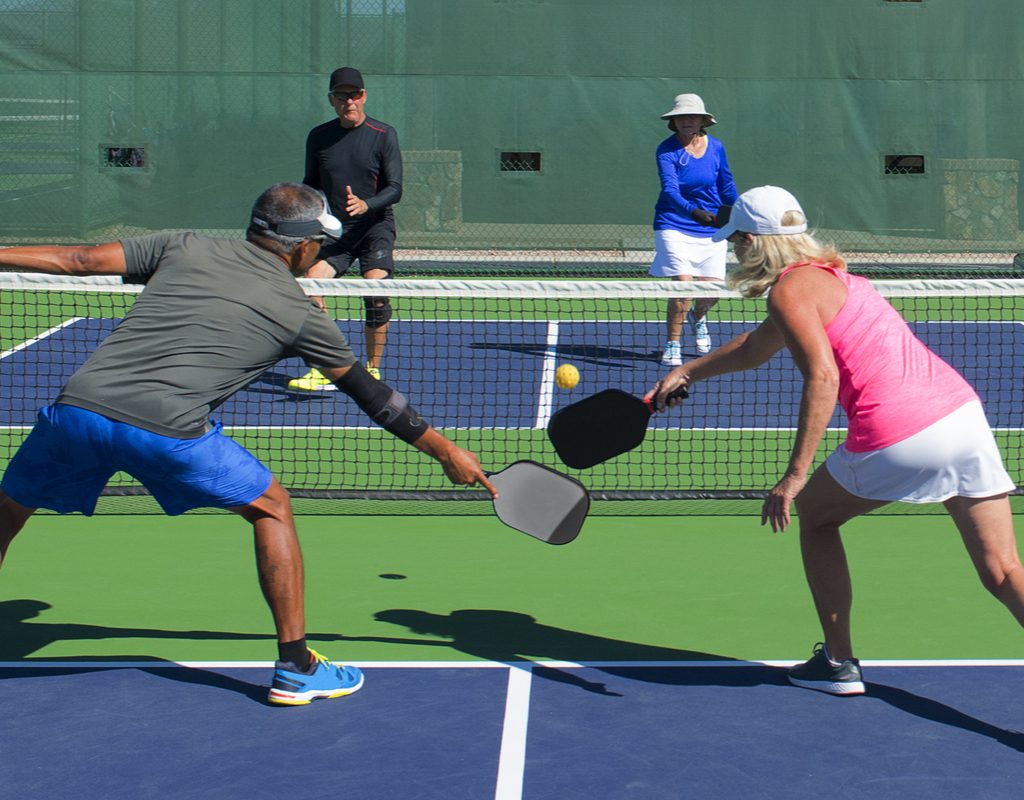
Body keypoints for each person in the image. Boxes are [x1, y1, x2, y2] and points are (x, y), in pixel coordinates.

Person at [0, 182, 497, 706]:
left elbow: (77, 259)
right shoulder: (301, 312)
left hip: (77, 410)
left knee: (8, 509)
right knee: (272, 507)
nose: (321, 253)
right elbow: (374, 397)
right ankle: (296, 667)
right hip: (166, 429)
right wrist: (448, 453)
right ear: (301, 247)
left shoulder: (183, 245)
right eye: (319, 244)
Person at [646, 185, 1024, 696]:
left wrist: (794, 476)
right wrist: (689, 371)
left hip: (899, 432)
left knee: (817, 516)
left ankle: (839, 663)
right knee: (1003, 572)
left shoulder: (789, 291)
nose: (734, 249)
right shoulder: (834, 278)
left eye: (737, 239)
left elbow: (821, 377)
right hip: (961, 416)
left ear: (757, 242)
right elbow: (757, 347)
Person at [289, 66, 403, 390]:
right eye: (341, 96)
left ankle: (372, 369)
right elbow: (310, 185)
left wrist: (367, 204)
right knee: (311, 286)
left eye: (354, 95)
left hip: (374, 229)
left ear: (363, 97)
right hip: (335, 234)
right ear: (332, 100)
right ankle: (327, 367)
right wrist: (309, 215)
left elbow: (395, 188)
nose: (348, 101)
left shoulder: (384, 135)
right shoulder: (319, 137)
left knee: (376, 293)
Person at [650, 93, 738, 366]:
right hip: (673, 222)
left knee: (711, 291)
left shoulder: (717, 147)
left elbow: (726, 184)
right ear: (673, 122)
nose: (686, 121)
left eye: (692, 116)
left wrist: (737, 214)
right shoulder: (666, 151)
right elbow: (670, 191)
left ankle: (698, 318)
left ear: (702, 121)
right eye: (681, 117)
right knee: (684, 287)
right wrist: (694, 212)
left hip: (711, 227)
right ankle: (673, 344)